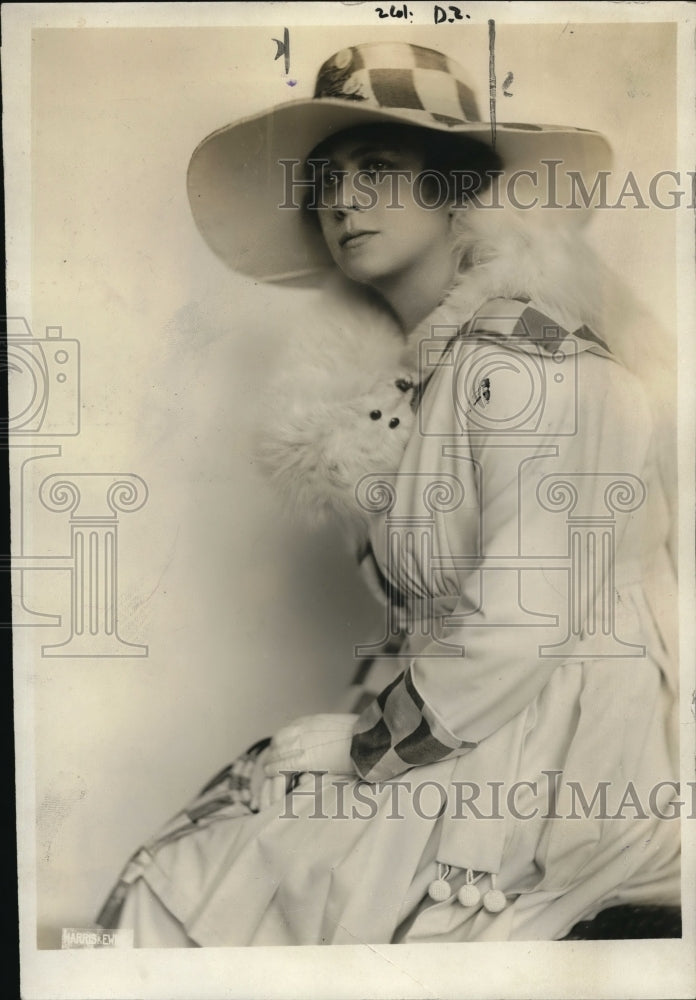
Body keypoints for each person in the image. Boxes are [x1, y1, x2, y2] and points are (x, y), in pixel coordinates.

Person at [97, 40, 680, 946]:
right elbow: (422, 627)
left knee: (195, 892)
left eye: (376, 169)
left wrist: (368, 748)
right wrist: (361, 732)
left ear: (455, 191)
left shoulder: (530, 362)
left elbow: (528, 612)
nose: (340, 201)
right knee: (199, 859)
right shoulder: (404, 403)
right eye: (324, 181)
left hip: (562, 756)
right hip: (468, 728)